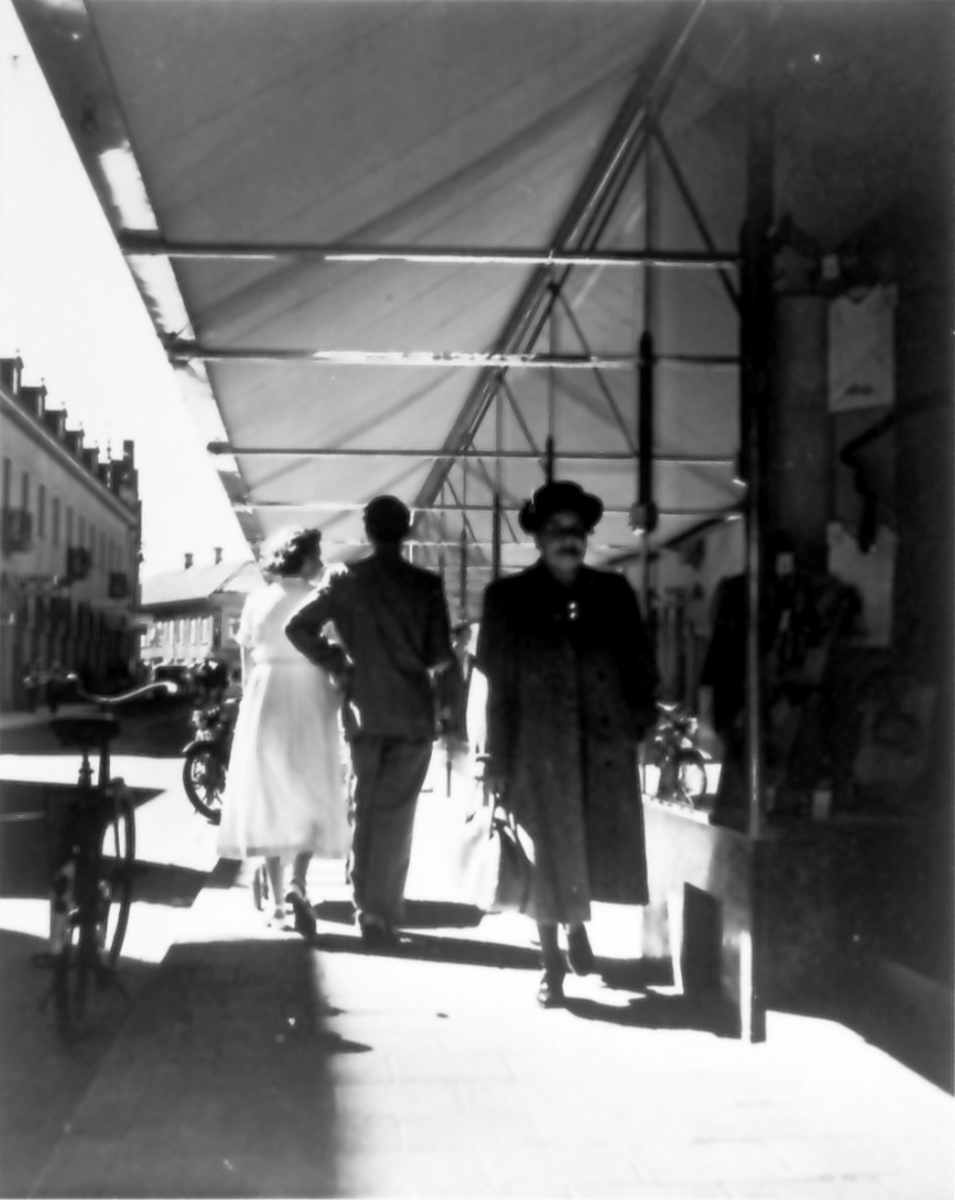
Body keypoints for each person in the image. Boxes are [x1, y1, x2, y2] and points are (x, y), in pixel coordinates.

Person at [476, 480, 659, 1007]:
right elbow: (493, 686)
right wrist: (493, 756)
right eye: (555, 529)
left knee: (589, 848)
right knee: (547, 852)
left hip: (602, 749)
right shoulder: (507, 599)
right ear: (536, 538)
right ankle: (550, 962)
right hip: (538, 748)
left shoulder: (613, 593)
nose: (567, 539)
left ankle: (575, 926)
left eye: (576, 530)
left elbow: (640, 664)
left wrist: (640, 722)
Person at [286, 495, 454, 947]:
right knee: (396, 816)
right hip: (412, 713)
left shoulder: (344, 579)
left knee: (365, 806)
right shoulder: (425, 586)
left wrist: (337, 661)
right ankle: (379, 911)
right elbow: (440, 657)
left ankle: (364, 903)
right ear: (408, 531)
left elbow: (297, 627)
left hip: (363, 710)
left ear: (367, 530)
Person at [217, 527, 347, 936]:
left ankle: (276, 904)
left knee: (269, 796)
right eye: (317, 553)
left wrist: (249, 704)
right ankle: (299, 881)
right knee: (311, 789)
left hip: (267, 694)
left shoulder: (257, 600)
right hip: (310, 691)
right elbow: (340, 652)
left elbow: (246, 662)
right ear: (304, 558)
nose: (321, 560)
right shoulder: (320, 599)